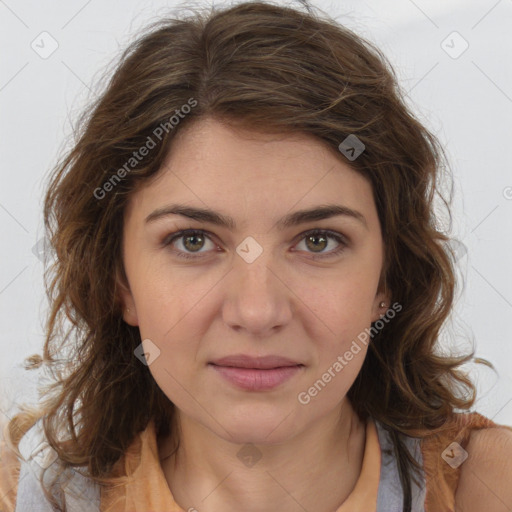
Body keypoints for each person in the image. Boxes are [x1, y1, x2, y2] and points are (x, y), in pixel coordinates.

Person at [1, 1, 511, 511]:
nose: (257, 311)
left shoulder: (488, 487)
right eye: (193, 241)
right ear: (119, 282)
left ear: (388, 280)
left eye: (318, 240)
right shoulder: (28, 496)